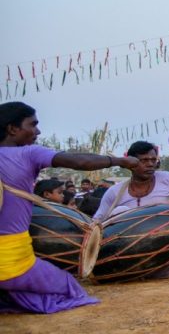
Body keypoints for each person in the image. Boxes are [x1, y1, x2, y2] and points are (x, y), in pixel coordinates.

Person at [0, 102, 140, 314]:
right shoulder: (28, 153)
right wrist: (119, 161)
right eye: (33, 124)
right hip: (11, 263)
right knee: (68, 285)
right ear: (12, 129)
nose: (38, 131)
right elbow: (81, 161)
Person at [93, 141, 169, 278]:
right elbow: (97, 222)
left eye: (153, 160)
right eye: (144, 160)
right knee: (119, 211)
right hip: (127, 260)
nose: (150, 164)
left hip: (162, 255)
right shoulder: (114, 192)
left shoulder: (166, 179)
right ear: (130, 163)